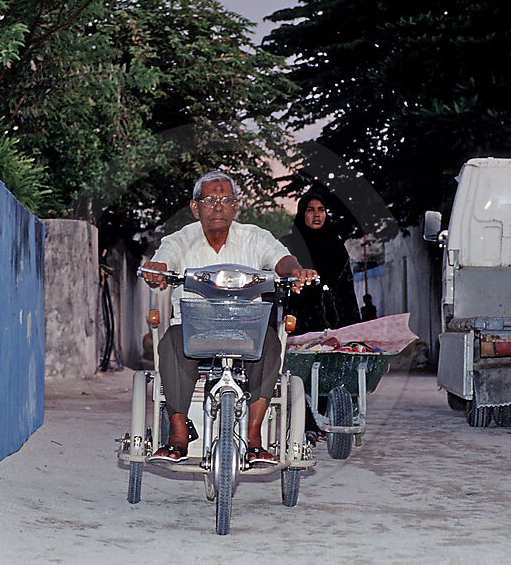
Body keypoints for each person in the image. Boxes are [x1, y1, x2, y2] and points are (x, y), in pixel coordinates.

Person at [140, 171, 317, 466]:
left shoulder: (255, 237)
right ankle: (179, 435)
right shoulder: (180, 239)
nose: (218, 206)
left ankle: (254, 437)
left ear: (236, 206)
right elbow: (165, 260)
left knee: (271, 342)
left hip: (247, 327)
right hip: (193, 327)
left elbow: (281, 259)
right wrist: (157, 268)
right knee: (170, 341)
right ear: (196, 207)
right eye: (209, 199)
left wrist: (295, 270)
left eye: (226, 199)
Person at [280, 192, 362, 334]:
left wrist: (354, 327)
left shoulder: (336, 247)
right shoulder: (288, 245)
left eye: (321, 210)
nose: (317, 215)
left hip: (336, 322)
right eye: (310, 210)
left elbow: (347, 289)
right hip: (299, 323)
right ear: (302, 214)